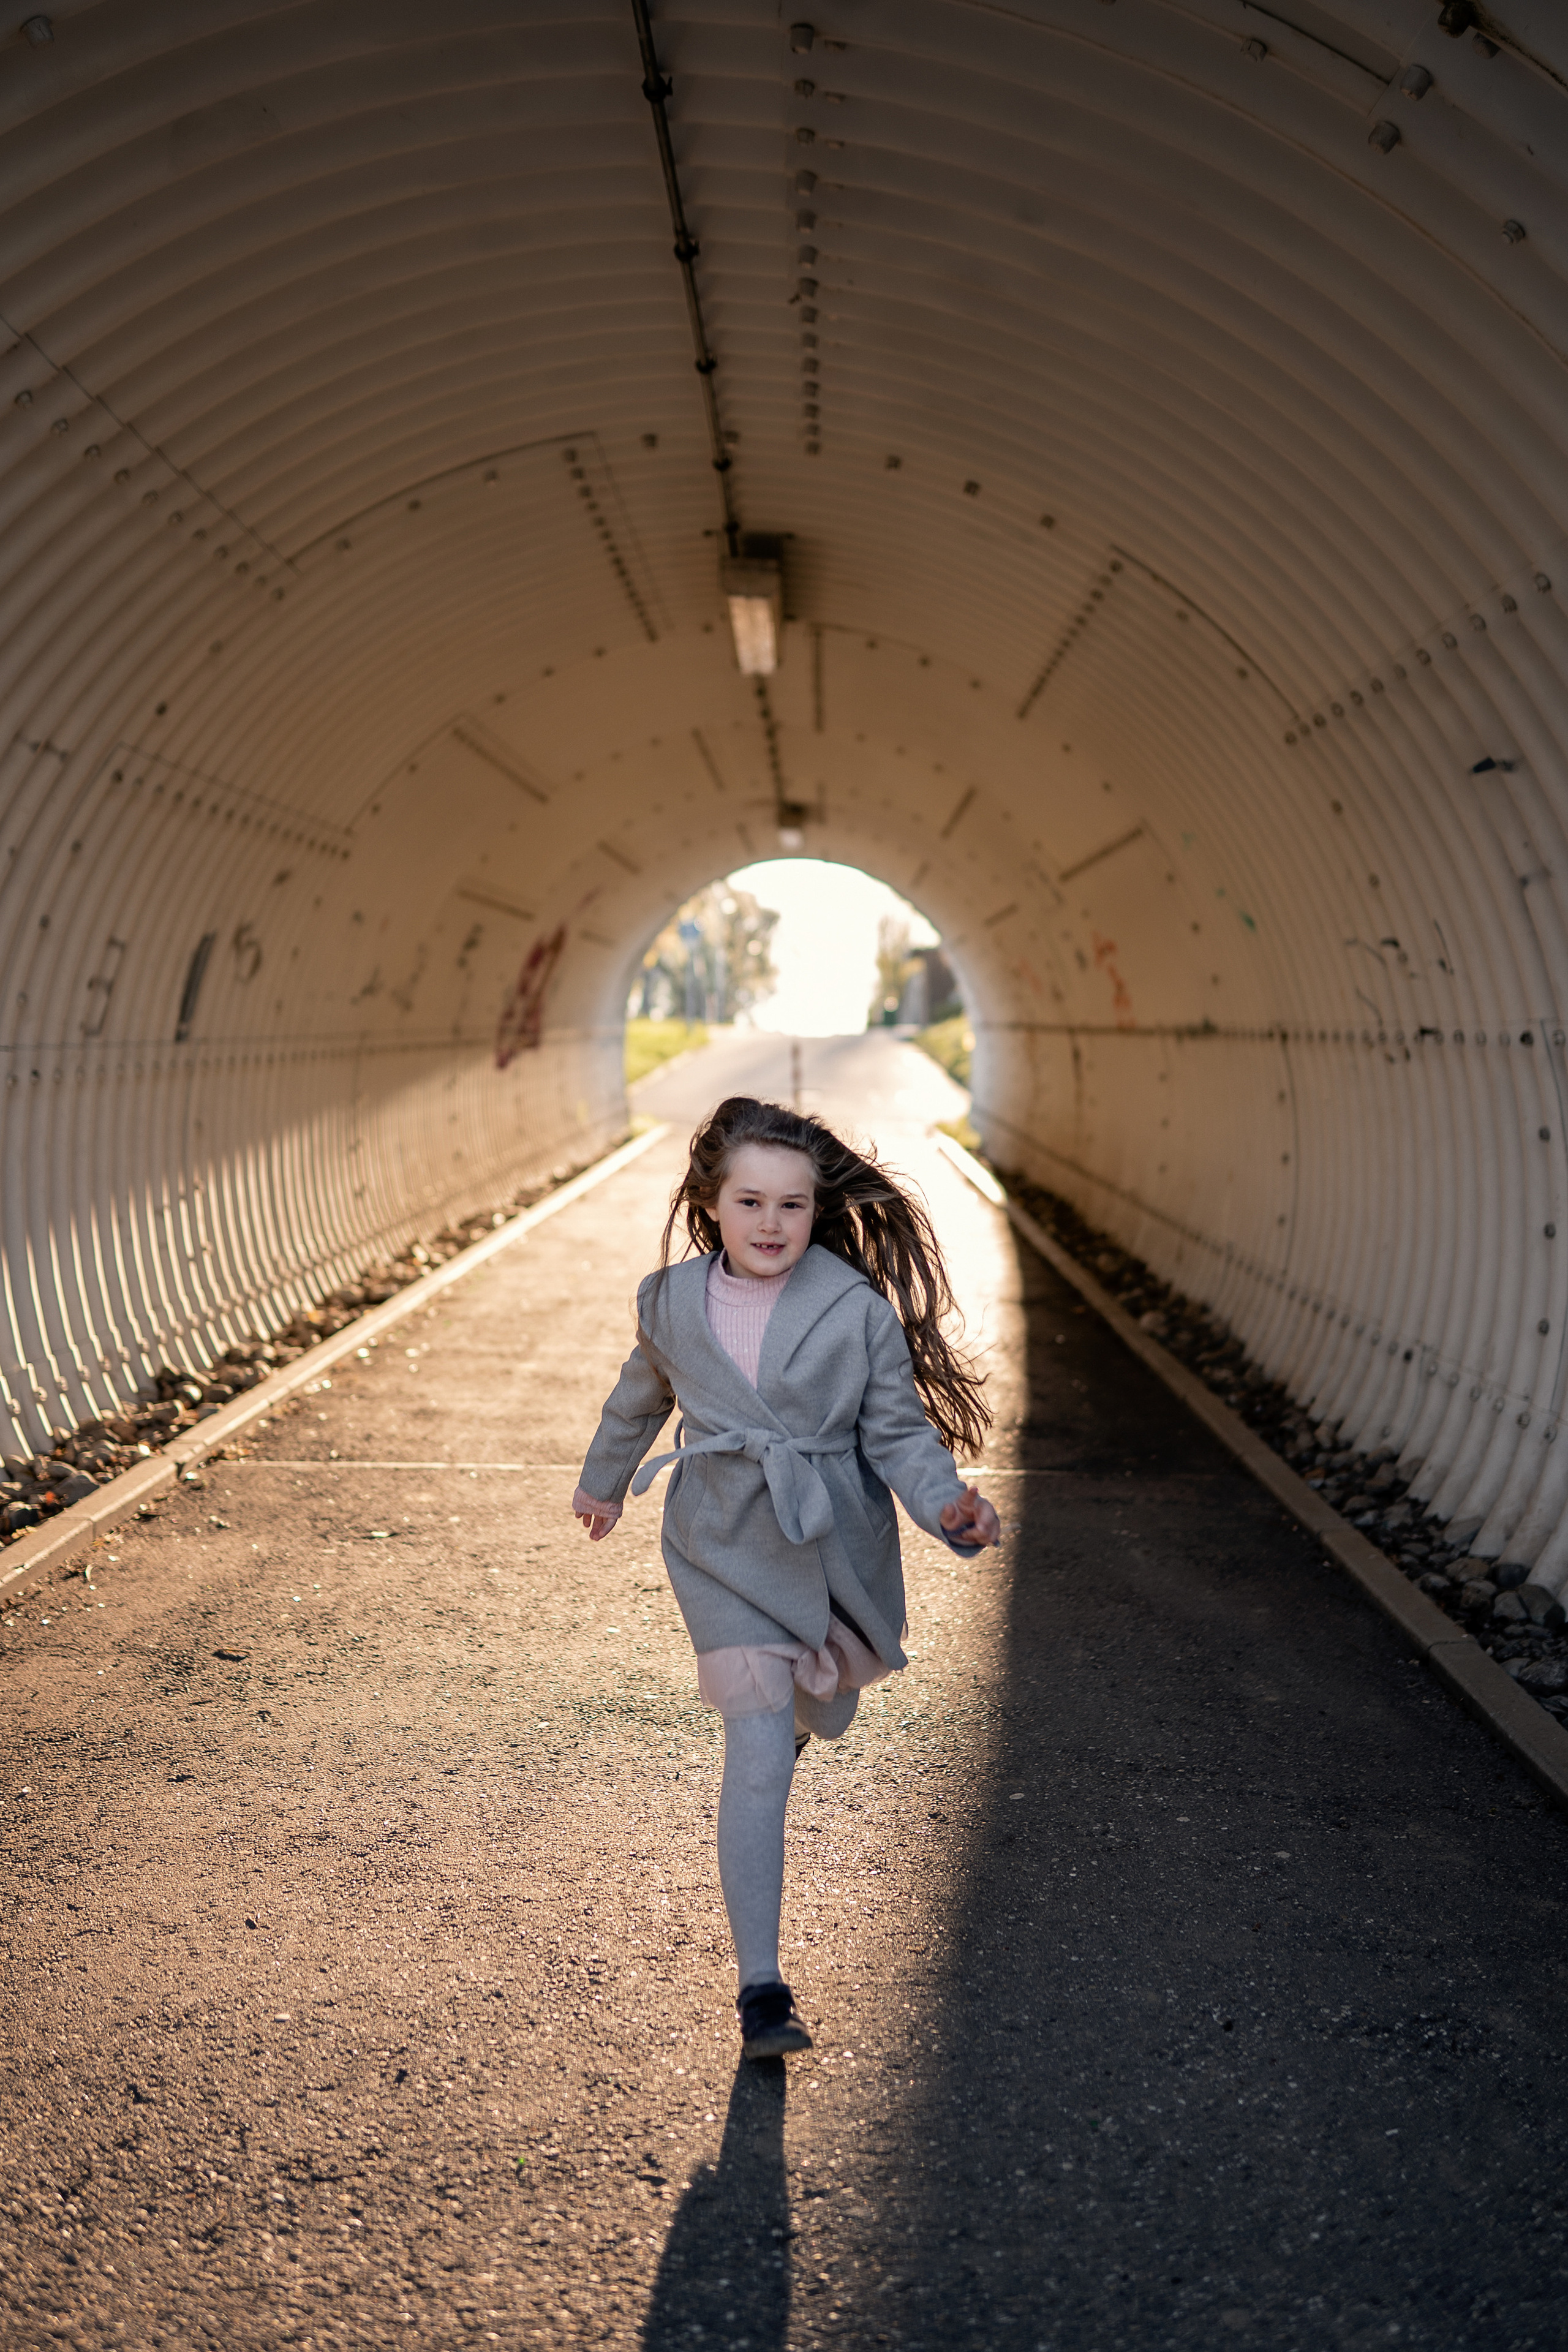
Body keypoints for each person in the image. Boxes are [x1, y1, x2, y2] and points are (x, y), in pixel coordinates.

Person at [571, 1095, 1001, 2061]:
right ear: (710, 1203)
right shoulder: (670, 1302)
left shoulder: (854, 1311)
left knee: (812, 1703)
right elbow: (637, 1400)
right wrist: (603, 1487)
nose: (772, 1225)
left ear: (818, 1210)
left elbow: (896, 1433)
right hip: (719, 1542)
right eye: (752, 1203)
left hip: (827, 1542)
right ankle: (762, 1991)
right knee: (758, 1751)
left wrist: (948, 1509)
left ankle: (807, 1705)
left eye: (794, 1207)